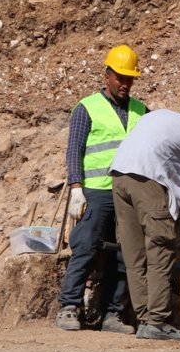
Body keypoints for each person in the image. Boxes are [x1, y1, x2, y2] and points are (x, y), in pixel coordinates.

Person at [109, 101, 180, 341]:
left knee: (134, 254)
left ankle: (144, 319)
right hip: (147, 181)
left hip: (119, 177)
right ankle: (157, 322)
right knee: (160, 251)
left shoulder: (158, 115)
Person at [56, 45, 147, 333]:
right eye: (120, 77)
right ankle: (69, 307)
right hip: (96, 191)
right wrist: (76, 187)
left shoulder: (142, 110)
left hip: (129, 193)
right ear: (107, 74)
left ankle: (112, 314)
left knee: (124, 253)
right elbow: (74, 150)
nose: (125, 83)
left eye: (129, 78)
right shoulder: (87, 108)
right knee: (85, 247)